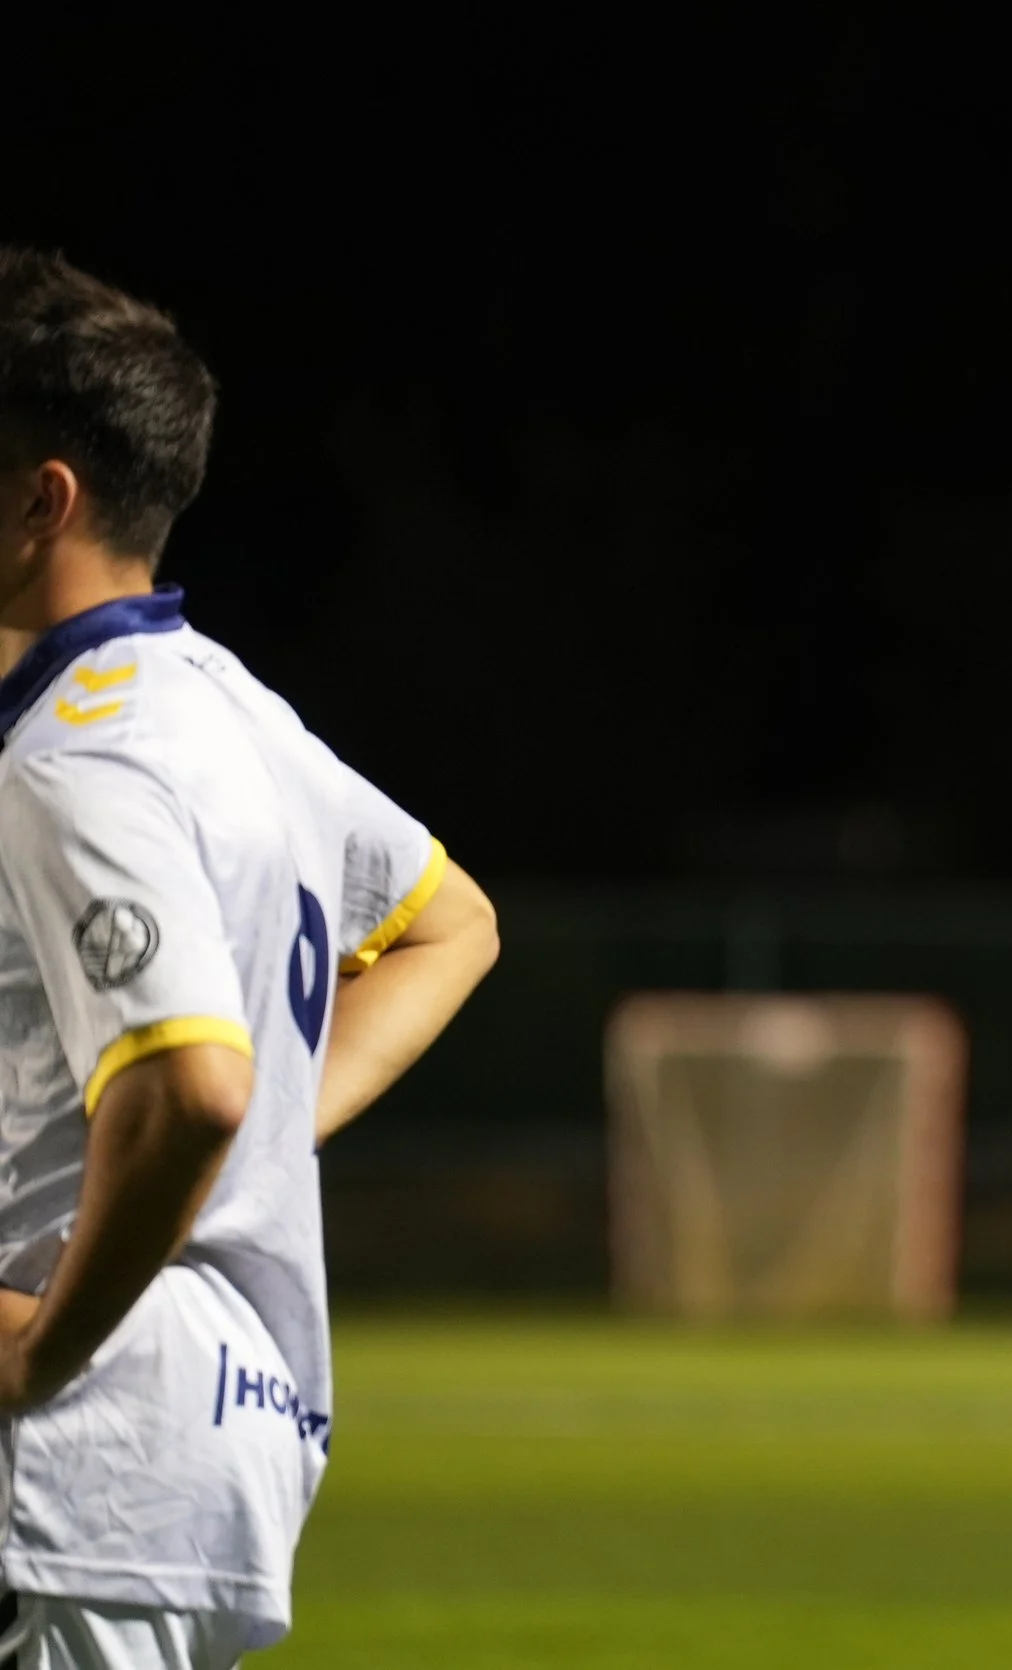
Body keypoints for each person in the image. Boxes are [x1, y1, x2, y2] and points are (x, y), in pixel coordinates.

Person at [0, 248, 500, 1667]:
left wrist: (42, 1351)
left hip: (66, 1476)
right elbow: (451, 920)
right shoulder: (224, 705)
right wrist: (275, 1127)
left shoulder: (72, 762)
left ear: (45, 498)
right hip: (195, 1464)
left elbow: (198, 1092)